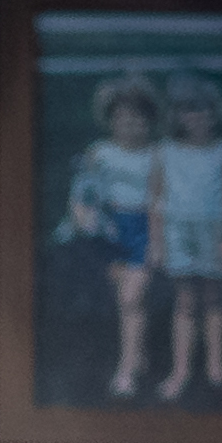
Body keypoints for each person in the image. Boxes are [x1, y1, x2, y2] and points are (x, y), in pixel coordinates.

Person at [62, 69, 165, 398]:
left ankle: (126, 372)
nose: (131, 125)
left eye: (138, 118)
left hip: (144, 229)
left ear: (150, 120)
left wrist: (157, 241)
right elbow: (82, 194)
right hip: (109, 232)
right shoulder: (99, 153)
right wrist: (83, 218)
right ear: (110, 120)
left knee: (131, 298)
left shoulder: (159, 155)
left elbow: (162, 202)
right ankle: (139, 356)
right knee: (127, 301)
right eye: (122, 117)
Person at [148, 73, 222, 403]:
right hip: (179, 232)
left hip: (213, 231)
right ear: (177, 115)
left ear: (216, 113)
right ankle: (181, 370)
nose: (197, 116)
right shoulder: (165, 151)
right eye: (189, 110)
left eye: (204, 109)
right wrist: (157, 242)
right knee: (186, 301)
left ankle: (216, 367)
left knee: (214, 299)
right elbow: (156, 199)